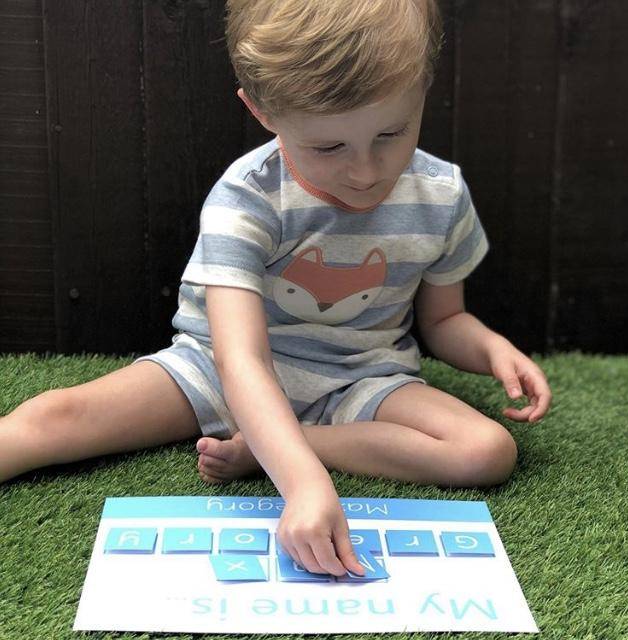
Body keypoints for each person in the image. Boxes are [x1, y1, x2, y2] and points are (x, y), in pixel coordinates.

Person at [0, 0, 551, 578]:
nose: (366, 171)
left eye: (392, 132)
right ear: (261, 110)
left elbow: (443, 321)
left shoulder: (442, 194)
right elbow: (241, 359)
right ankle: (279, 446)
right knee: (59, 416)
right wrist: (304, 484)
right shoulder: (247, 198)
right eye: (328, 147)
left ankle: (277, 446)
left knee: (486, 451)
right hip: (217, 371)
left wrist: (491, 349)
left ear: (422, 89)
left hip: (360, 377)